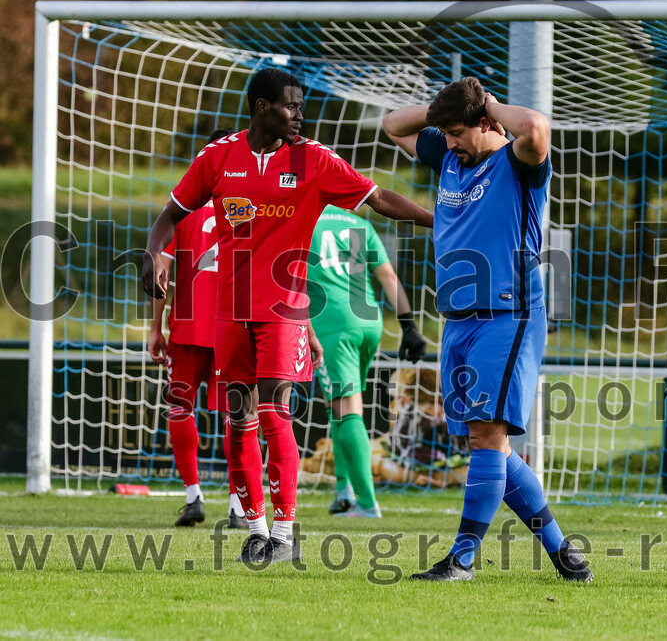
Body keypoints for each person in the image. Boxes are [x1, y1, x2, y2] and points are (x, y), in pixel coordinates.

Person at [142, 68, 433, 565]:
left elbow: (380, 199)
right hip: (229, 313)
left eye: (301, 105)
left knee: (276, 414)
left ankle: (285, 531)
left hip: (284, 311)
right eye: (291, 105)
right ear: (261, 107)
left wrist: (443, 218)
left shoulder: (314, 158)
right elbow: (169, 214)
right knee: (239, 419)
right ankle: (255, 527)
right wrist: (154, 254)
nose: (300, 114)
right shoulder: (218, 156)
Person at [382, 77, 592, 582]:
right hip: (458, 320)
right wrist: (447, 110)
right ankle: (565, 554)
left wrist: (490, 104)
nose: (448, 143)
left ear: (487, 124)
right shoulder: (452, 155)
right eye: (445, 134)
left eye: (457, 132)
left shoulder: (518, 162)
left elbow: (538, 127)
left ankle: (463, 558)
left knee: (484, 435)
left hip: (507, 313)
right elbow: (392, 124)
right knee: (489, 445)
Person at [149, 128, 247, 529]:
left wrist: (155, 328)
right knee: (237, 417)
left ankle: (193, 498)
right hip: (235, 328)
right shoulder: (246, 206)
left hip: (188, 328)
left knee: (179, 408)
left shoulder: (182, 209)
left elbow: (160, 272)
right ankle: (240, 508)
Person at [307, 206, 427, 518]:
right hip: (368, 320)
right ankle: (344, 489)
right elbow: (387, 275)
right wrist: (409, 327)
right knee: (341, 405)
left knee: (345, 409)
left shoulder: (303, 217)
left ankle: (366, 502)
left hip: (333, 323)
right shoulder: (357, 223)